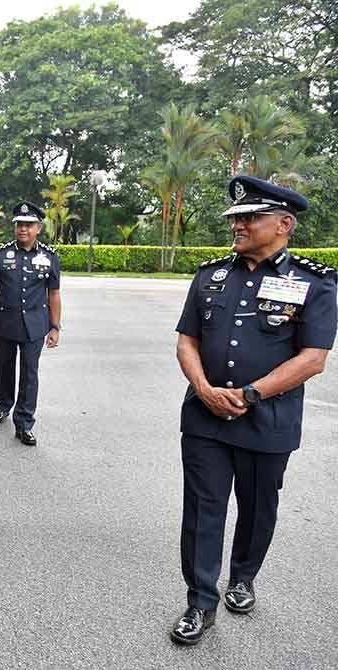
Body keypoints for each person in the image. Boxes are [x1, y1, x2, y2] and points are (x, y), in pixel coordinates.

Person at [169, 176, 336, 645]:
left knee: (259, 506)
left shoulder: (313, 282)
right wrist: (203, 387)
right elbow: (187, 340)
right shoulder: (210, 275)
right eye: (236, 218)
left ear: (284, 224)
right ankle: (200, 602)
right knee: (203, 509)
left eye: (249, 217)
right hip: (204, 416)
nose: (238, 225)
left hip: (267, 420)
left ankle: (242, 575)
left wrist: (250, 394)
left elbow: (312, 358)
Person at [0, 201, 61, 446]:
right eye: (19, 225)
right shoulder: (1, 255)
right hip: (5, 322)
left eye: (28, 225)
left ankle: (24, 422)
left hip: (35, 324)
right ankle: (3, 404)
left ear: (38, 228)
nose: (23, 229)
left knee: (29, 373)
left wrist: (55, 326)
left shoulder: (49, 257)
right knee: (3, 367)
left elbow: (54, 293)